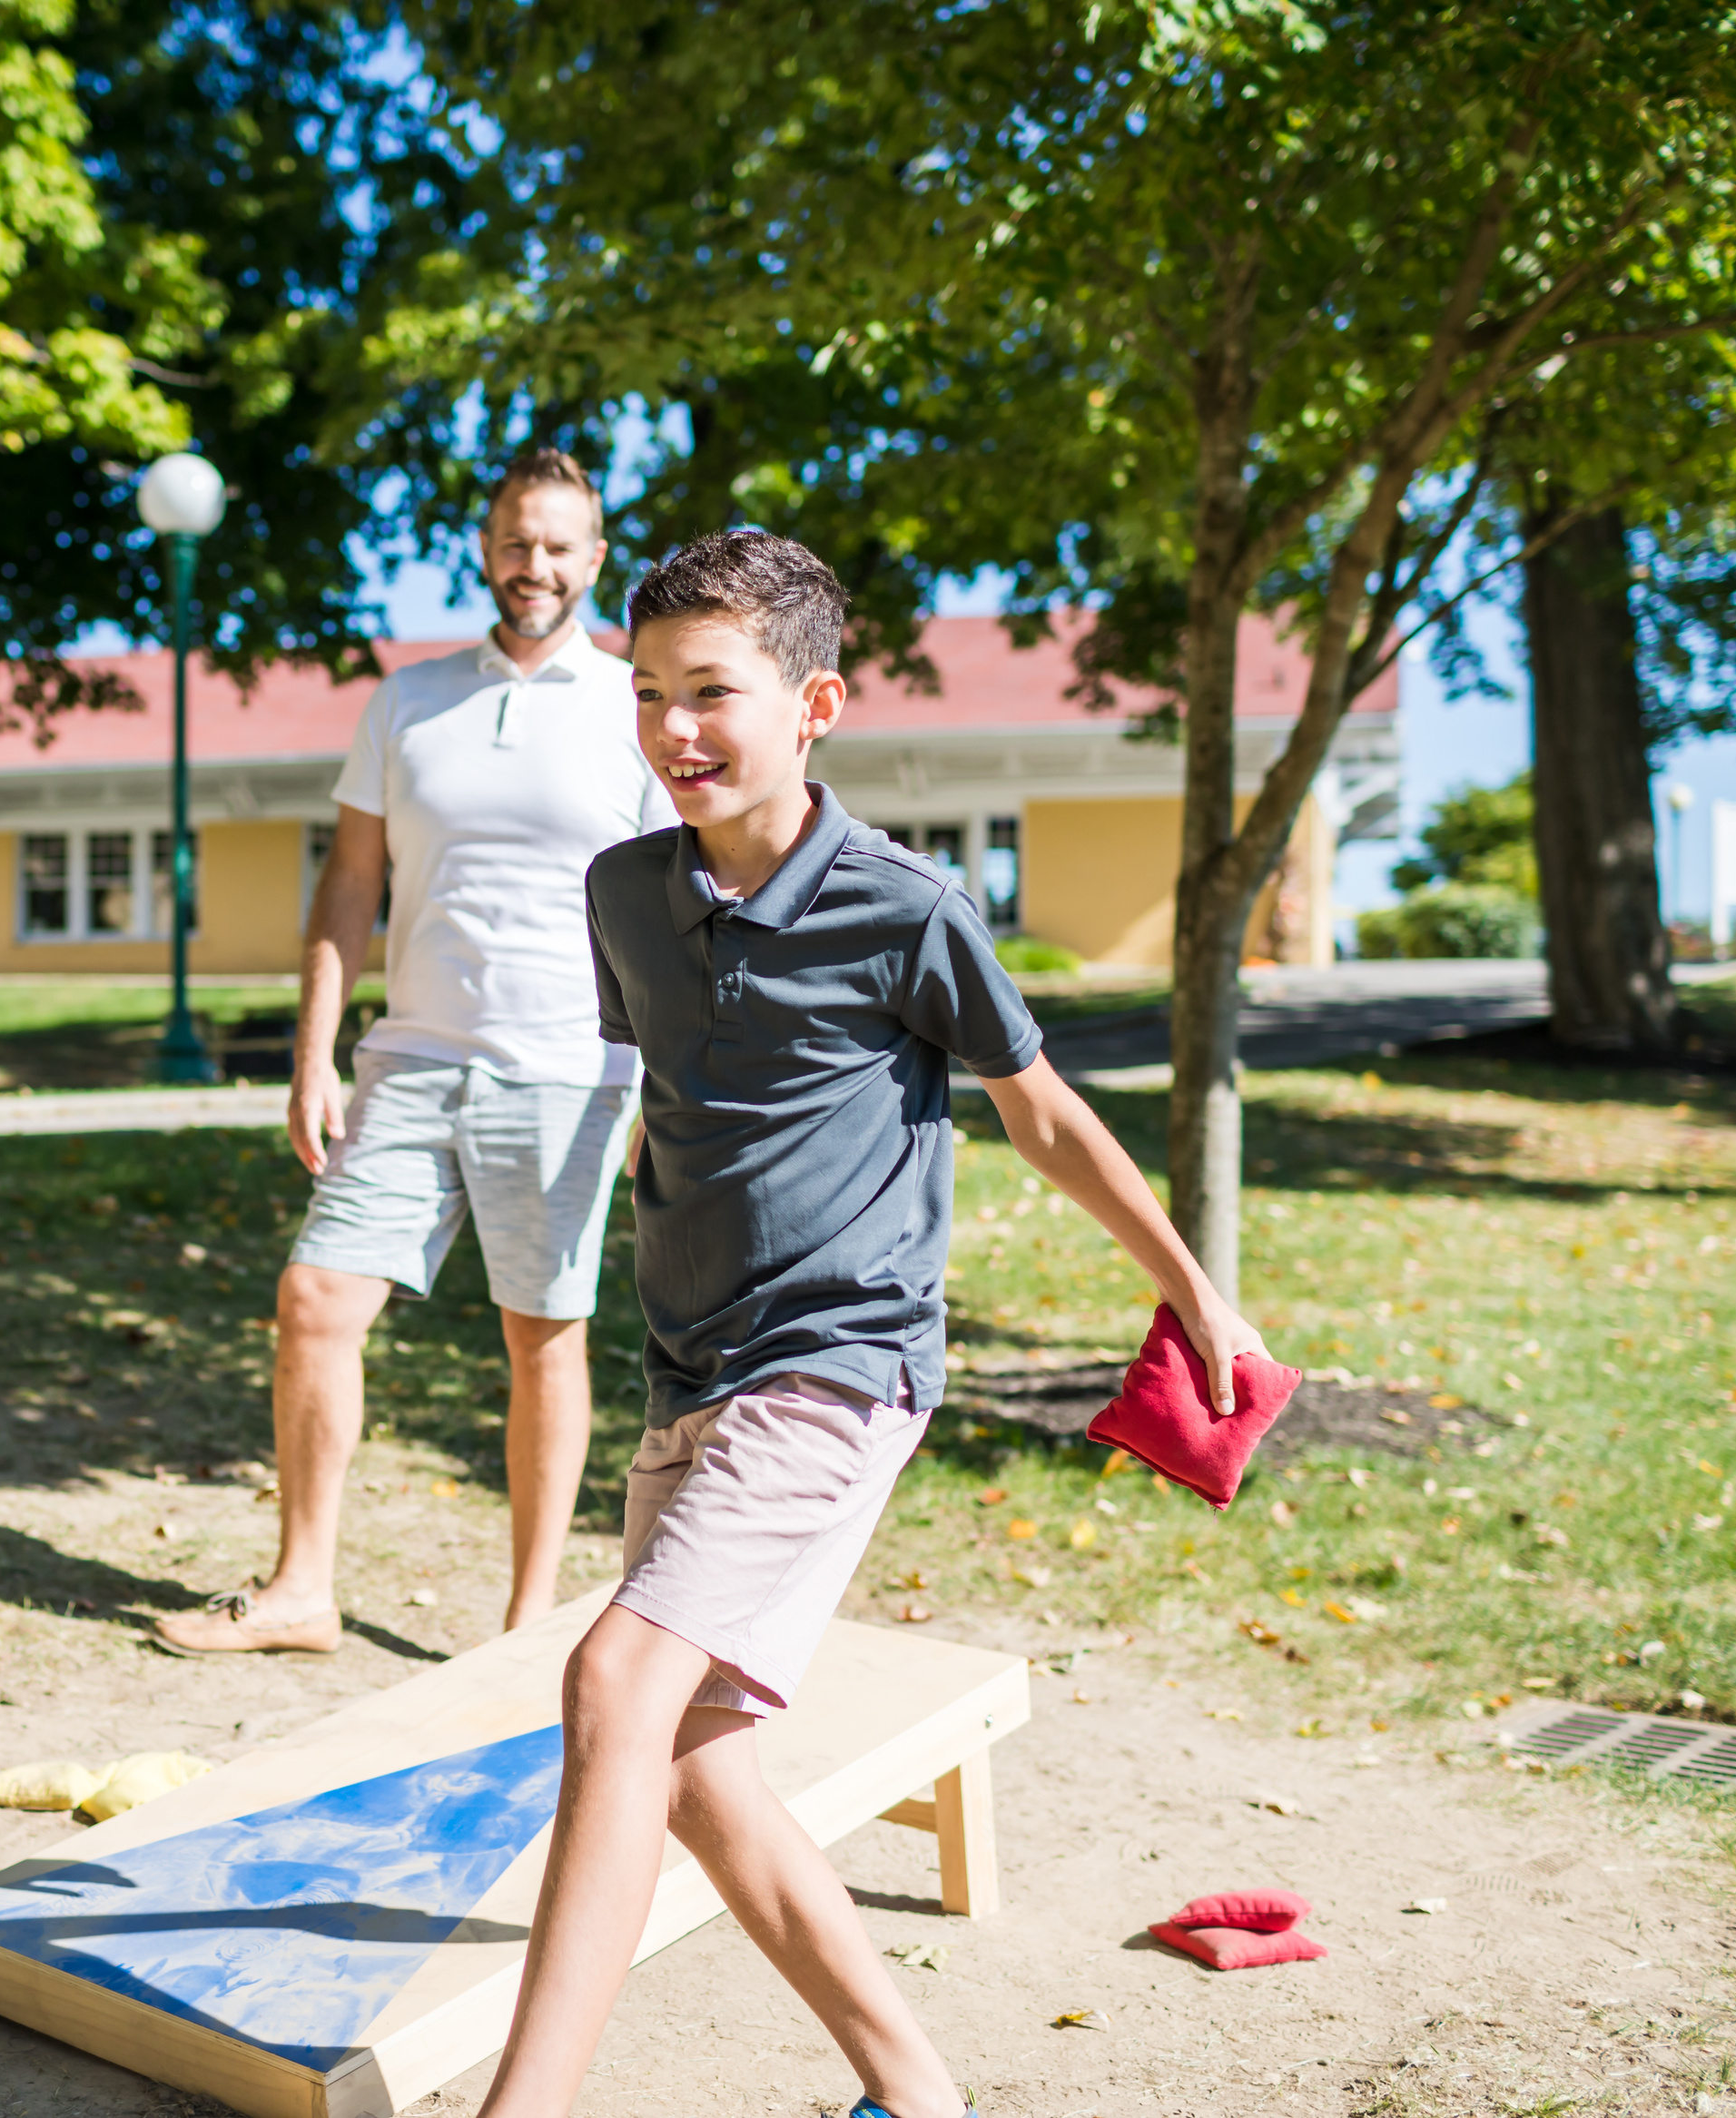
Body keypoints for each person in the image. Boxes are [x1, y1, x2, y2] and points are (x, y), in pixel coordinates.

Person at [477, 531, 1269, 2118]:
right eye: (648, 695)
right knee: (695, 1766)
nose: (672, 729)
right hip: (688, 1363)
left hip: (843, 1362)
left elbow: (1040, 1118)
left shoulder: (908, 906)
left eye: (713, 693)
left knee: (614, 1687)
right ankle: (918, 2089)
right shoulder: (623, 891)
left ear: (817, 702)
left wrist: (1193, 1285)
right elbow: (674, 1099)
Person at [155, 448, 677, 1656]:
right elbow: (350, 884)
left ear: (595, 561)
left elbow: (672, 911)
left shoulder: (637, 709)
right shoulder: (408, 698)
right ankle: (301, 1589)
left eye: (558, 544)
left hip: (567, 1067)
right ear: (484, 548)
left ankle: (527, 1621)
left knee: (540, 1334)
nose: (533, 563)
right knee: (314, 1298)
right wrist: (314, 1050)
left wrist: (664, 1076)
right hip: (409, 1059)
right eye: (514, 539)